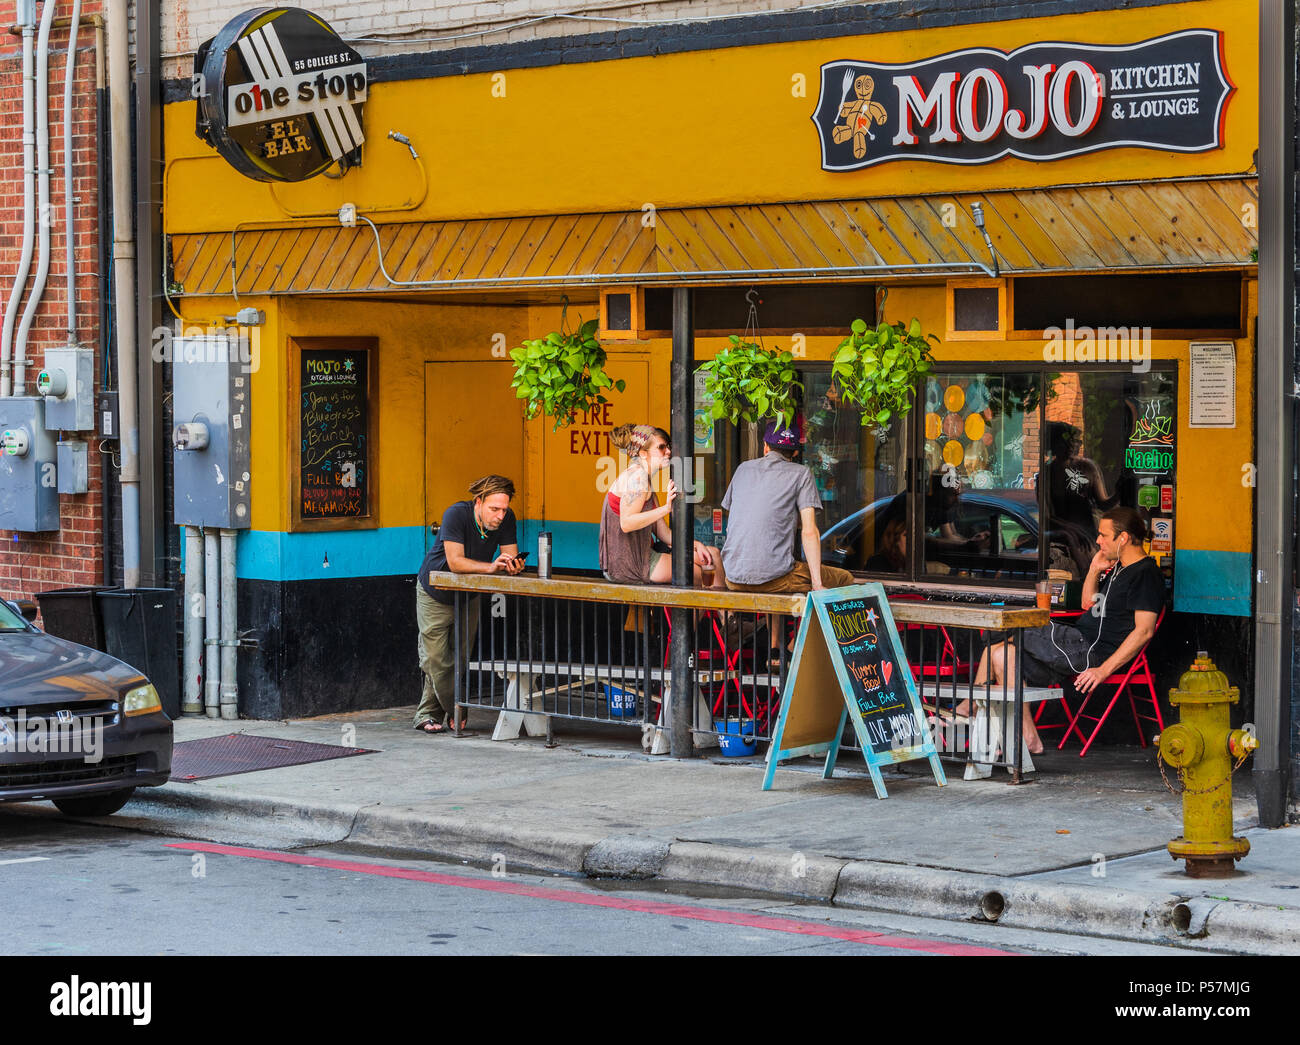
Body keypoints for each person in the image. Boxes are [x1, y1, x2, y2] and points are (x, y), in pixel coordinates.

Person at [962, 506, 1163, 754]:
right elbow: (1087, 604)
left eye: (1103, 535)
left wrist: (1101, 671)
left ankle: (967, 705)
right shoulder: (1117, 567)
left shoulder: (1145, 574)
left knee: (1008, 622)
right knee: (1001, 655)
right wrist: (1093, 569)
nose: (1097, 540)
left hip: (1088, 650)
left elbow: (1144, 631)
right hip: (1074, 645)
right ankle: (1029, 738)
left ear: (1123, 538)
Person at [414, 475, 524, 735]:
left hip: (469, 595)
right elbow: (456, 562)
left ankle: (426, 714)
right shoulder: (456, 514)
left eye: (504, 509)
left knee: (459, 658)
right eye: (494, 509)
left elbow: (508, 554)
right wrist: (491, 567)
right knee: (435, 658)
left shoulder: (507, 520)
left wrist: (512, 565)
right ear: (478, 502)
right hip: (435, 591)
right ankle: (457, 710)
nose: (499, 515)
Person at [721, 419, 855, 595]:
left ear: (765, 447)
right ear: (795, 451)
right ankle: (811, 623)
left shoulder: (743, 469)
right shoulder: (801, 474)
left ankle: (772, 625)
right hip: (775, 579)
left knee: (782, 569)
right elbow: (809, 531)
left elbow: (739, 515)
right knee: (844, 578)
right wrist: (817, 583)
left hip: (732, 576)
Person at [599, 423, 724, 587]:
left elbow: (664, 534)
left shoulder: (646, 481)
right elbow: (626, 523)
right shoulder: (638, 477)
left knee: (712, 554)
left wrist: (697, 545)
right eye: (661, 447)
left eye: (668, 446)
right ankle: (725, 612)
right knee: (696, 572)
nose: (668, 451)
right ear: (643, 453)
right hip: (628, 564)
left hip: (642, 556)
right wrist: (665, 509)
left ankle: (727, 613)